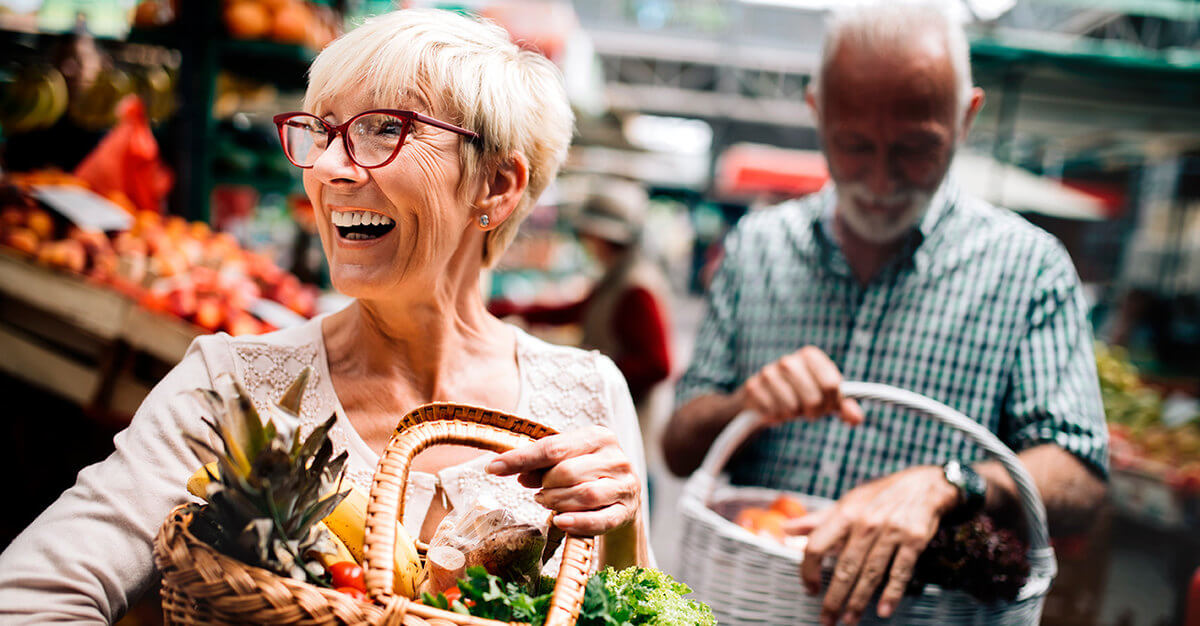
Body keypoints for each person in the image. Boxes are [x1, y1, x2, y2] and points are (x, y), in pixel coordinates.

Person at [0, 9, 650, 623]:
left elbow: (644, 605)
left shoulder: (588, 397)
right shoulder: (231, 388)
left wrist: (622, 534)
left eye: (385, 128)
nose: (331, 169)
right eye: (325, 130)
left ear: (498, 185)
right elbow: (30, 595)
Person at [664, 3, 1108, 625]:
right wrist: (745, 405)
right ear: (818, 113)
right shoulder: (756, 247)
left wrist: (952, 483)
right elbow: (681, 447)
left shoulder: (1029, 268)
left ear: (967, 117)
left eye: (915, 148)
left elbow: (1081, 478)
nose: (879, 178)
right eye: (853, 145)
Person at [489, 179, 673, 426]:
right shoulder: (618, 277)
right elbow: (578, 310)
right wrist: (511, 309)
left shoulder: (636, 288)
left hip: (629, 414)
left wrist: (590, 369)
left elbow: (657, 365)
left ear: (604, 237)